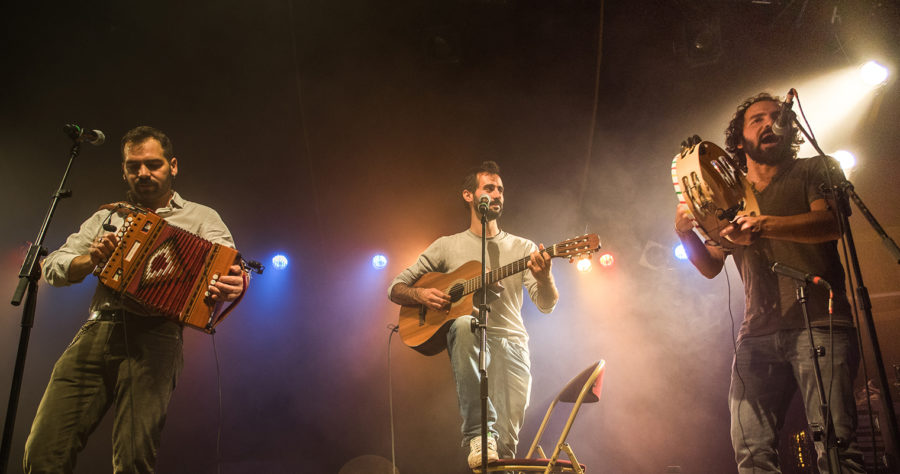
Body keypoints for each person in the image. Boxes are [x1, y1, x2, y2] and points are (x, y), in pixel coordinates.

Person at [23, 126, 245, 473]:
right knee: (43, 450)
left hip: (158, 337)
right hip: (98, 330)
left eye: (153, 164)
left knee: (133, 459)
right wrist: (91, 259)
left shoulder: (202, 217)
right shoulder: (107, 217)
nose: (143, 173)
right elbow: (54, 266)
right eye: (133, 166)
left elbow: (230, 266)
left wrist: (235, 284)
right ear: (123, 171)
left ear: (173, 166)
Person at [674, 93, 865, 473]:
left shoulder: (816, 169)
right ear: (739, 139)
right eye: (757, 119)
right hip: (757, 333)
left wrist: (765, 224)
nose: (768, 123)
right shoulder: (728, 194)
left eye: (776, 117)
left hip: (820, 323)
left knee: (836, 448)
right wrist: (684, 235)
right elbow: (711, 266)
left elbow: (831, 224)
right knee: (751, 451)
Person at [388, 161, 559, 468]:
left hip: (513, 346)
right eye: (489, 188)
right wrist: (422, 294)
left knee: (506, 447)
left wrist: (545, 277)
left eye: (501, 190)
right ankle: (478, 435)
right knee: (465, 323)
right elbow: (396, 288)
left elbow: (546, 304)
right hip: (472, 343)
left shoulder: (523, 247)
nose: (497, 194)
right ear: (468, 195)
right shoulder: (446, 246)